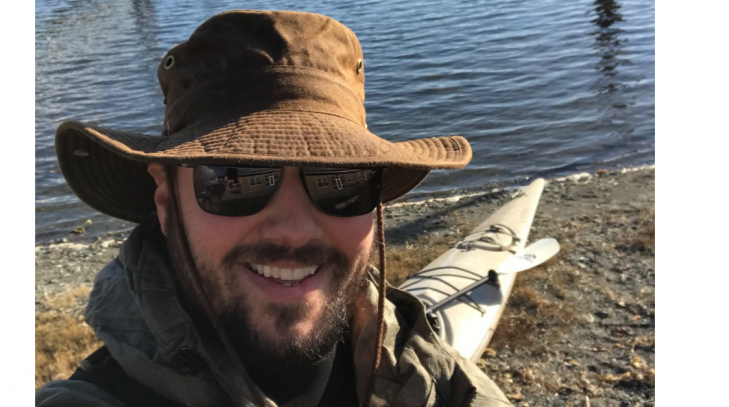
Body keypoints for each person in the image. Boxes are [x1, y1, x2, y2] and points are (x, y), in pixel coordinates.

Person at [36, 10, 513, 407]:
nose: (293, 230)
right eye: (234, 178)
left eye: (340, 181)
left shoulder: (421, 365)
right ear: (166, 200)